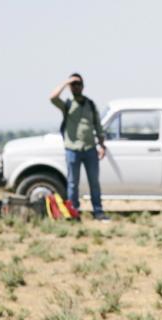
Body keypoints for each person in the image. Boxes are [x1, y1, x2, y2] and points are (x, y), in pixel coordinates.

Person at [49, 73, 109, 222]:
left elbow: (98, 126)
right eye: (73, 84)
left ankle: (98, 211)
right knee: (72, 183)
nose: (76, 87)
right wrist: (66, 82)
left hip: (90, 148)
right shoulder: (67, 105)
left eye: (78, 84)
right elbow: (53, 97)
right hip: (72, 149)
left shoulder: (90, 104)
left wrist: (102, 145)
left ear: (83, 86)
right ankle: (73, 212)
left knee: (94, 182)